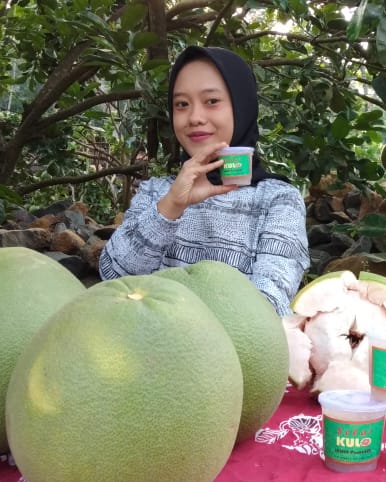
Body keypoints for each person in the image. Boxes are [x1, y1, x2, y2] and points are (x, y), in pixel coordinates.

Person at [99, 46, 310, 316]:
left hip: (230, 344)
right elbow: (113, 278)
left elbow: (268, 308)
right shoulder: (157, 192)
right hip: (149, 340)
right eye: (182, 104)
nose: (195, 118)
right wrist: (171, 206)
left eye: (211, 101)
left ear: (242, 106)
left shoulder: (278, 200)